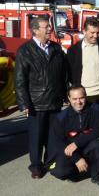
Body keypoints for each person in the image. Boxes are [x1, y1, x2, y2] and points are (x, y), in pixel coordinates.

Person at [14, 16, 67, 179]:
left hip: (55, 100)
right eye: (46, 27)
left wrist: (65, 93)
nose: (49, 29)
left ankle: (49, 162)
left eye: (49, 26)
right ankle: (36, 166)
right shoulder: (25, 50)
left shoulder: (57, 49)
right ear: (35, 30)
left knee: (53, 136)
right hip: (36, 103)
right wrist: (24, 103)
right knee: (36, 137)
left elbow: (63, 74)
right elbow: (20, 79)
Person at [49, 86, 99, 187]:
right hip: (71, 152)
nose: (78, 102)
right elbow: (59, 142)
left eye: (81, 98)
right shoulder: (60, 117)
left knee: (98, 144)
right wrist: (76, 158)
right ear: (69, 98)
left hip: (88, 147)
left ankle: (98, 175)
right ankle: (75, 172)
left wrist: (76, 143)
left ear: (86, 96)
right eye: (74, 99)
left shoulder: (95, 109)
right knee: (60, 172)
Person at [67, 17, 99, 115]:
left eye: (97, 33)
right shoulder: (73, 51)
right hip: (84, 96)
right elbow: (70, 73)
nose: (95, 36)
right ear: (84, 31)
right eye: (92, 33)